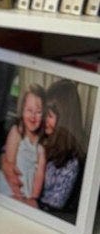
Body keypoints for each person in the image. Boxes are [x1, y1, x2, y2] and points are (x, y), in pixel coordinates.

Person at [0, 83, 46, 204]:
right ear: (22, 111)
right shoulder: (16, 132)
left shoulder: (41, 145)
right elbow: (9, 164)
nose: (33, 116)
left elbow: (39, 174)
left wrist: (33, 197)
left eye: (38, 112)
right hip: (8, 185)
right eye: (29, 110)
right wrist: (16, 193)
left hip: (25, 191)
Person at [39, 79, 87, 213]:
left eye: (49, 116)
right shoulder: (43, 138)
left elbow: (55, 205)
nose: (44, 119)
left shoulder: (71, 163)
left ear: (64, 119)